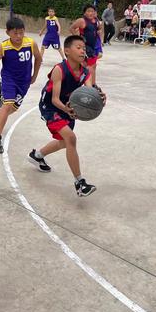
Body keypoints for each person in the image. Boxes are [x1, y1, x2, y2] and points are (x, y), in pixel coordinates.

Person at [28, 35, 106, 197]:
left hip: (69, 107)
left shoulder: (86, 72)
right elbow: (55, 99)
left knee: (64, 142)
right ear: (67, 51)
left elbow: (90, 92)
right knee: (71, 138)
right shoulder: (59, 69)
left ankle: (37, 155)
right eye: (78, 47)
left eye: (84, 48)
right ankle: (80, 183)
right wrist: (67, 109)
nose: (82, 51)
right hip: (50, 107)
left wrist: (99, 98)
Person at [0, 17, 42, 153]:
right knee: (7, 105)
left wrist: (34, 75)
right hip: (9, 80)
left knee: (12, 109)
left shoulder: (31, 43)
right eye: (15, 33)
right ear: (8, 32)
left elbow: (38, 58)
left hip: (24, 82)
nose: (19, 36)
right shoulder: (4, 47)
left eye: (21, 32)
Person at [70, 4, 101, 85]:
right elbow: (72, 28)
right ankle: (89, 86)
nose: (91, 13)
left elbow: (100, 29)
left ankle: (92, 85)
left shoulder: (95, 21)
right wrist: (78, 39)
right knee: (89, 66)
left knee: (93, 66)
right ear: (84, 13)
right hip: (85, 47)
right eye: (88, 11)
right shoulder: (82, 21)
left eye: (92, 11)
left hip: (92, 46)